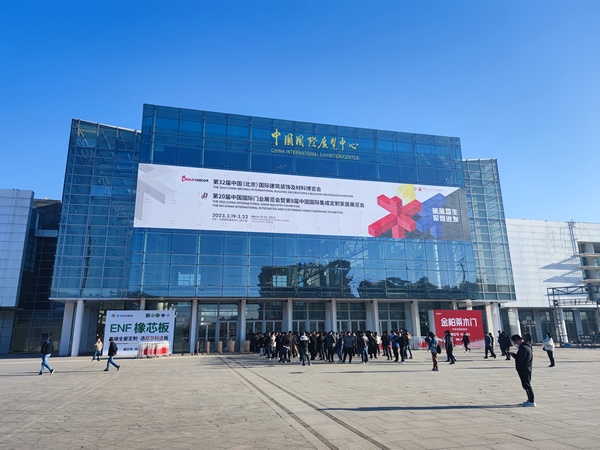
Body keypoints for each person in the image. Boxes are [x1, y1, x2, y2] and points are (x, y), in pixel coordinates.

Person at [509, 334, 535, 407]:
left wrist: (513, 355)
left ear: (517, 340)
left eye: (515, 342)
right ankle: (529, 399)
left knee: (527, 385)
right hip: (526, 368)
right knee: (526, 384)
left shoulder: (523, 348)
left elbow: (520, 358)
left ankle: (532, 401)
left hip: (524, 368)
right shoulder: (527, 346)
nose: (515, 344)